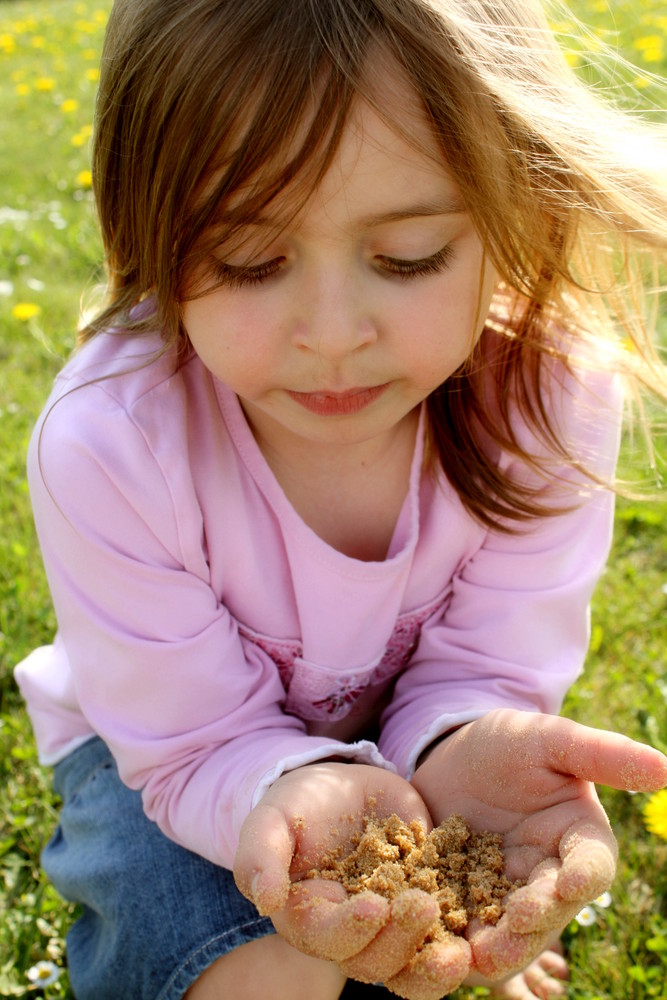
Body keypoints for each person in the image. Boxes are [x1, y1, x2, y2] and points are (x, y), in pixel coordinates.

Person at [14, 0, 667, 998]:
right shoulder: (114, 440)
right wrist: (292, 787)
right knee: (245, 967)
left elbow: (485, 662)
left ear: (513, 210)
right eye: (247, 260)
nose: (329, 331)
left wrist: (464, 748)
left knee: (415, 921)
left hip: (396, 725)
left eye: (407, 258)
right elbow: (187, 740)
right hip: (160, 747)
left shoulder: (547, 396)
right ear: (145, 224)